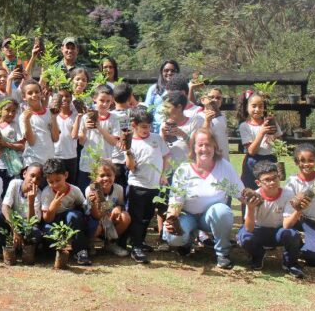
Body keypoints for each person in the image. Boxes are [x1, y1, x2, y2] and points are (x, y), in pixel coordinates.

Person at [162, 129, 242, 269]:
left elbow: (239, 193)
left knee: (222, 211)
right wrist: (170, 219)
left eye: (208, 145)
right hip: (188, 215)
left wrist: (260, 200)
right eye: (200, 145)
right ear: (193, 147)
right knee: (174, 238)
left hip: (210, 218)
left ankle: (222, 253)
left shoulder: (224, 167)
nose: (204, 149)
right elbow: (175, 201)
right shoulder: (184, 170)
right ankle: (187, 240)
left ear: (215, 147)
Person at [236, 161, 304, 278]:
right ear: (258, 183)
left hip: (278, 231)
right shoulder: (254, 197)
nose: (272, 182)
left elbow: (287, 225)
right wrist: (250, 208)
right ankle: (257, 255)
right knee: (245, 237)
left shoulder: (288, 194)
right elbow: (249, 228)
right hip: (258, 231)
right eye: (267, 180)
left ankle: (290, 263)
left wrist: (298, 210)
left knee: (292, 235)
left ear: (279, 176)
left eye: (275, 178)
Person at [125, 108, 169, 264]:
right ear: (134, 125)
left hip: (154, 186)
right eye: (143, 127)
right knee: (136, 217)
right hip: (137, 185)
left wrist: (163, 175)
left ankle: (140, 241)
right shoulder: (130, 142)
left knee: (147, 217)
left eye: (149, 126)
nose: (147, 130)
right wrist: (128, 152)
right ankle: (135, 246)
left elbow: (165, 156)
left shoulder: (157, 138)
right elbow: (130, 166)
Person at [40, 158, 91, 265]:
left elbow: (84, 207)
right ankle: (57, 251)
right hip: (53, 222)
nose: (55, 185)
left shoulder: (75, 190)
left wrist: (92, 202)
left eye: (58, 180)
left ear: (66, 175)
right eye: (51, 182)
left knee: (74, 215)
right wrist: (53, 207)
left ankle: (81, 251)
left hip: (69, 222)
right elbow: (47, 219)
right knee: (47, 230)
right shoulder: (46, 193)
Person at [77, 85, 120, 191]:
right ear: (95, 99)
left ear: (112, 101)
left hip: (105, 165)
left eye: (108, 101)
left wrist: (99, 127)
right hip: (88, 165)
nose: (105, 104)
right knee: (87, 194)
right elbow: (81, 142)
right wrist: (85, 129)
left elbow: (114, 142)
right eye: (102, 100)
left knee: (102, 195)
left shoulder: (114, 119)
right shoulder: (85, 117)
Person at [238, 89, 282, 191]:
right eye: (254, 106)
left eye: (260, 106)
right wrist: (262, 132)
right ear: (247, 108)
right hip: (253, 163)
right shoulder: (244, 126)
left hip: (270, 160)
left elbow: (280, 142)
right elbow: (251, 151)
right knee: (250, 191)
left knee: (270, 189)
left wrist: (274, 139)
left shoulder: (270, 122)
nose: (257, 109)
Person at [85, 159, 130, 257]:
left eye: (109, 175)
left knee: (125, 216)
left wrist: (118, 207)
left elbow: (121, 204)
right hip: (95, 220)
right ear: (95, 177)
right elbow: (95, 215)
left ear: (114, 176)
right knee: (96, 227)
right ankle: (89, 244)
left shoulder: (118, 189)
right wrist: (95, 203)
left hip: (109, 220)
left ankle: (110, 243)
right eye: (101, 176)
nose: (106, 178)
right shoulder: (90, 190)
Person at [1, 163, 44, 247]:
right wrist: (15, 229)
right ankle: (6, 247)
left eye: (38, 179)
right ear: (24, 174)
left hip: (25, 225)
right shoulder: (15, 183)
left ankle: (25, 249)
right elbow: (5, 207)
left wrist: (31, 201)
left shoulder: (39, 195)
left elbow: (31, 223)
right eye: (32, 175)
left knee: (35, 232)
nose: (34, 180)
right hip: (12, 222)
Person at [0, 100, 25, 190]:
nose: (11, 114)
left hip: (11, 167)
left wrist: (5, 144)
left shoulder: (16, 126)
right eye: (7, 110)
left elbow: (22, 146)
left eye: (13, 111)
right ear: (0, 110)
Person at [20, 80, 59, 165]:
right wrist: (26, 121)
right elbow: (31, 141)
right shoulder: (24, 116)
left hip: (49, 160)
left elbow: (55, 138)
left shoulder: (50, 112)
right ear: (24, 97)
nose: (34, 95)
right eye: (30, 93)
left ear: (41, 94)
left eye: (37, 92)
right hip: (33, 161)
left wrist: (54, 118)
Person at [53, 88, 80, 187]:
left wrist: (79, 116)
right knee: (56, 184)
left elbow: (74, 135)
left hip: (71, 156)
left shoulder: (76, 115)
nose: (64, 99)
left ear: (71, 97)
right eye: (61, 96)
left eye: (67, 96)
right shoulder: (52, 114)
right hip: (55, 155)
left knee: (70, 185)